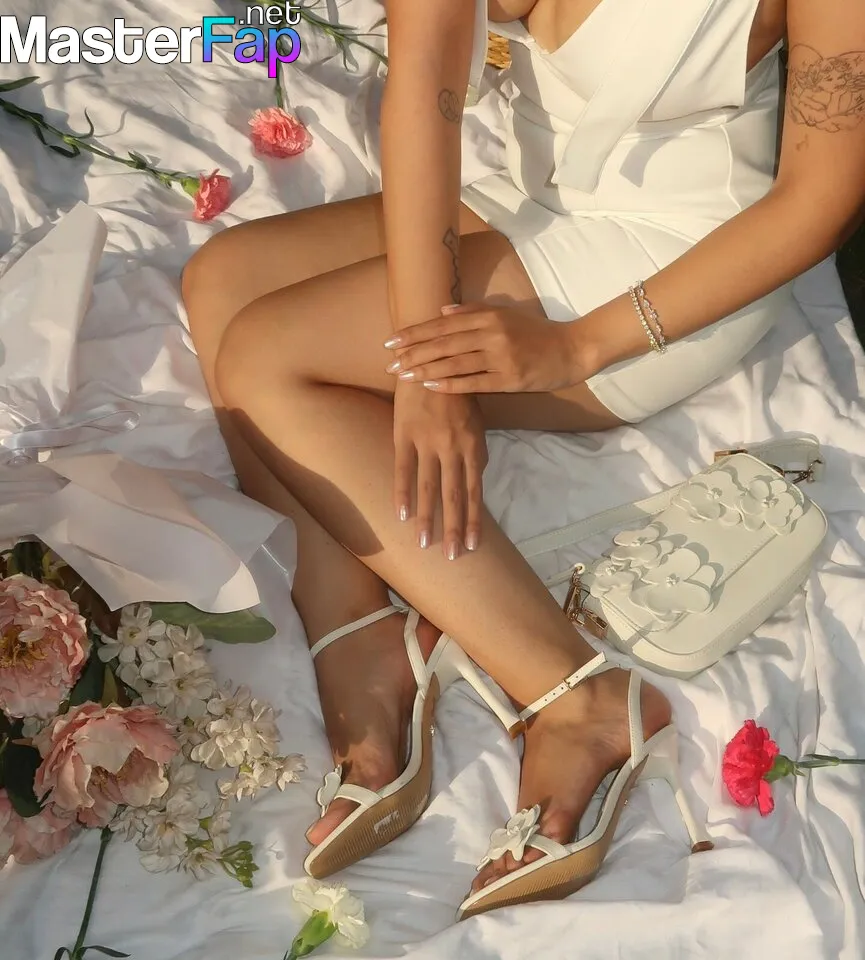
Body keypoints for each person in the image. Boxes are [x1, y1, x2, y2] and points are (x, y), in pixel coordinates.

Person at [181, 0, 865, 919]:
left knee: (266, 359)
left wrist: (577, 347)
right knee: (223, 282)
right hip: (530, 192)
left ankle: (575, 695)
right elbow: (424, 87)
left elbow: (818, 198)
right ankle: (363, 631)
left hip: (670, 263)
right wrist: (429, 373)